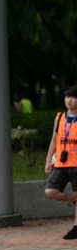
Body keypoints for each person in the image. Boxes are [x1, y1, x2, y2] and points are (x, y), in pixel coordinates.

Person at [44, 86, 77, 240]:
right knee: (50, 191)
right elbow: (54, 140)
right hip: (61, 163)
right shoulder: (60, 117)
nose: (69, 100)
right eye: (67, 97)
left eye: (72, 97)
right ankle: (73, 200)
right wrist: (48, 160)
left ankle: (76, 227)